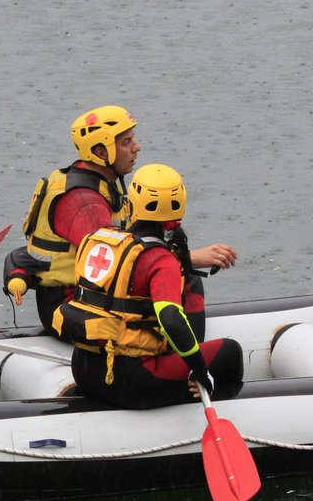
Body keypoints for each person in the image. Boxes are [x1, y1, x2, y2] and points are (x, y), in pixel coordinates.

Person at [3, 106, 237, 330]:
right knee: (185, 280)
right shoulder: (84, 202)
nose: (137, 148)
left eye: (132, 139)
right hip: (72, 306)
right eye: (126, 142)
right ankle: (191, 362)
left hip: (86, 297)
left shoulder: (103, 184)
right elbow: (115, 261)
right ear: (100, 152)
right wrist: (188, 258)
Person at [52, 163, 245, 409]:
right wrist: (201, 370)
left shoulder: (99, 240)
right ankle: (214, 408)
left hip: (84, 371)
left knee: (187, 284)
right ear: (180, 207)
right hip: (132, 382)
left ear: (130, 204)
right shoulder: (161, 259)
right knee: (230, 352)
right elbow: (171, 319)